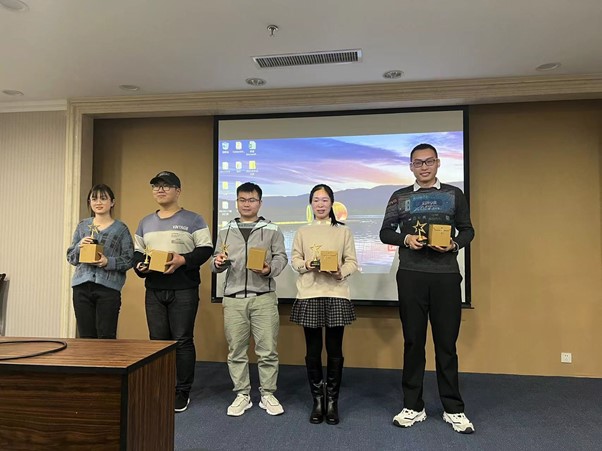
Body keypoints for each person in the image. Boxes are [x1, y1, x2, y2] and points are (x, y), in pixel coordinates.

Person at [379, 143, 475, 434]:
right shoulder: (399, 196)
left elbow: (468, 230)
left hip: (446, 277)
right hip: (411, 276)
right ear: (411, 167)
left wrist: (454, 244)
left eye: (429, 161)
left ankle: (453, 408)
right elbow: (385, 232)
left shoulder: (454, 194)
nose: (424, 167)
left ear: (438, 163)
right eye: (418, 163)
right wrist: (405, 240)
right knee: (413, 343)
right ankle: (413, 405)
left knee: (446, 345)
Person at [133, 171, 213, 413]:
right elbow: (138, 253)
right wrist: (140, 267)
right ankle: (161, 387)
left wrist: (182, 260)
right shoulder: (145, 222)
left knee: (182, 340)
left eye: (166, 186)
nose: (160, 190)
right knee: (157, 342)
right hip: (154, 290)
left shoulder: (194, 219)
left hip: (184, 289)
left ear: (178, 191)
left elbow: (205, 249)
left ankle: (181, 391)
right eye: (156, 186)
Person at [212, 182, 288, 417]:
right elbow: (215, 261)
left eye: (252, 200)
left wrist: (268, 269)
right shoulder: (225, 230)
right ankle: (242, 394)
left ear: (260, 203)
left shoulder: (272, 229)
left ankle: (268, 394)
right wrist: (217, 263)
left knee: (267, 351)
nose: (247, 204)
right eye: (242, 200)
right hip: (233, 299)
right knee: (236, 350)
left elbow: (281, 258)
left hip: (263, 297)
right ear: (237, 202)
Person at [290, 184, 358, 425]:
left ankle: (332, 403)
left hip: (336, 293)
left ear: (332, 203)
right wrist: (306, 265)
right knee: (312, 350)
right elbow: (295, 259)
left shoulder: (343, 231)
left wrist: (340, 273)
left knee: (335, 350)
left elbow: (351, 262)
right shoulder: (302, 231)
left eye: (325, 200)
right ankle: (317, 401)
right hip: (309, 293)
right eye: (316, 200)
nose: (320, 204)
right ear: (311, 204)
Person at [67, 184, 134, 339]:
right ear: (89, 202)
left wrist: (107, 262)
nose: (98, 202)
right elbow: (71, 257)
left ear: (112, 202)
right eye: (94, 199)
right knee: (86, 336)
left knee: (106, 336)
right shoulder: (83, 226)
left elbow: (129, 259)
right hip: (81, 287)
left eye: (103, 198)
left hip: (108, 289)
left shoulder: (121, 229)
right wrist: (79, 246)